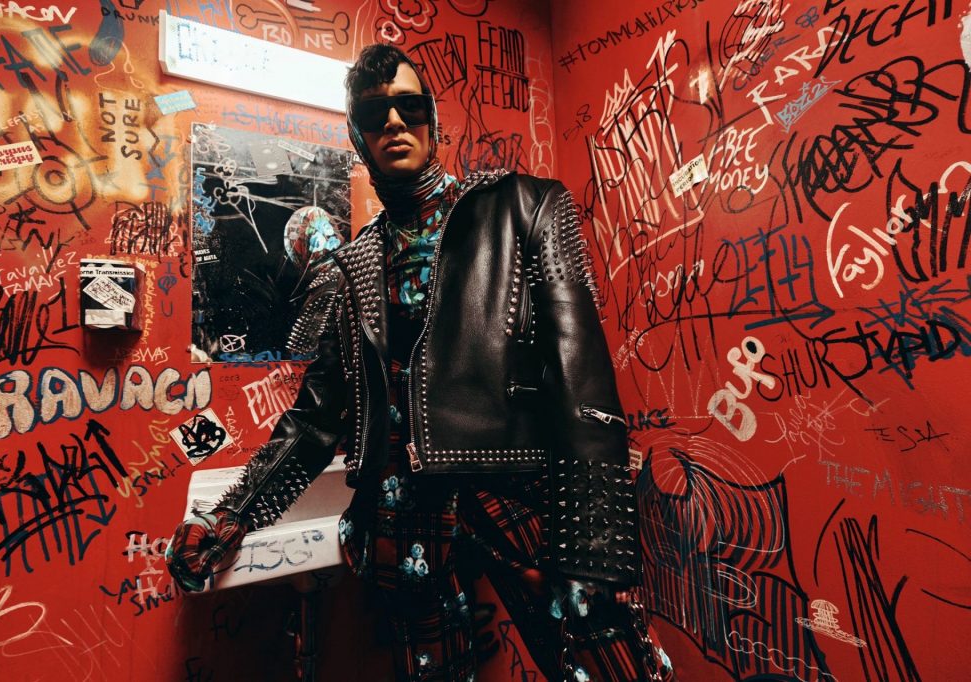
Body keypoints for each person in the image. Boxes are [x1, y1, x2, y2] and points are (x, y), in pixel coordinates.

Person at [166, 43, 674, 682]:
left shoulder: (526, 207)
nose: (393, 122)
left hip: (515, 492)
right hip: (401, 515)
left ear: (432, 119)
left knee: (614, 667)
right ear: (358, 136)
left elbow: (585, 382)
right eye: (374, 114)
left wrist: (597, 549)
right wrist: (232, 515)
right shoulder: (351, 266)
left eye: (408, 107)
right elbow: (316, 419)